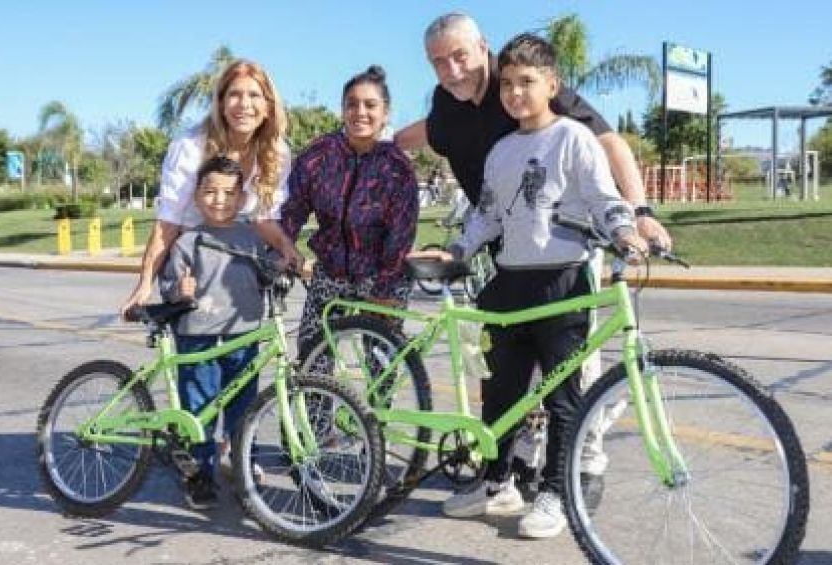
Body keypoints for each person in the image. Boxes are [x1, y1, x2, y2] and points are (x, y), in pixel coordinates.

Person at [430, 33, 647, 539]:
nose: (514, 93)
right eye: (506, 84)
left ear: (552, 84)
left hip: (563, 280)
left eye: (526, 82)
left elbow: (601, 196)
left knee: (563, 397)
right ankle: (496, 482)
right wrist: (459, 250)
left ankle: (554, 489)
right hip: (509, 284)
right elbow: (485, 216)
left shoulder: (574, 137)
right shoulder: (502, 149)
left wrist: (625, 229)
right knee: (502, 393)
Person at [395, 12, 670, 249]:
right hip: (501, 243)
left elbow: (608, 140)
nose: (452, 72)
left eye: (460, 56)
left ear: (482, 47)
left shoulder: (521, 80)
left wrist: (640, 212)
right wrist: (381, 143)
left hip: (563, 243)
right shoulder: (445, 101)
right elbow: (427, 129)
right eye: (439, 62)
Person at [121, 59, 298, 317]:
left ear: (269, 107)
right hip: (193, 258)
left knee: (241, 343)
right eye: (234, 94)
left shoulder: (277, 152)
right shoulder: (190, 146)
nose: (244, 104)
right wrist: (145, 282)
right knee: (196, 341)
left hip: (238, 259)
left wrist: (286, 247)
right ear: (221, 104)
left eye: (254, 95)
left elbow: (264, 218)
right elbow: (168, 221)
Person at [280, 65, 419, 357]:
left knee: (382, 360)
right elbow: (294, 207)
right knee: (311, 355)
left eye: (370, 105)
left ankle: (378, 405)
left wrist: (385, 289)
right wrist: (283, 247)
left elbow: (401, 235)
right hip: (330, 272)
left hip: (381, 273)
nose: (360, 112)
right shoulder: (320, 155)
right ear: (342, 110)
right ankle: (318, 403)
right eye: (352, 104)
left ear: (386, 112)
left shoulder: (397, 168)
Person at [158, 156, 271, 510]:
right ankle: (200, 474)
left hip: (244, 335)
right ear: (196, 196)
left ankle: (242, 464)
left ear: (240, 198)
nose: (219, 200)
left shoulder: (252, 237)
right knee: (200, 409)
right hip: (198, 336)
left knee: (245, 406)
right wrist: (180, 289)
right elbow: (168, 287)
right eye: (210, 192)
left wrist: (281, 267)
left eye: (228, 193)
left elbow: (267, 272)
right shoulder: (186, 242)